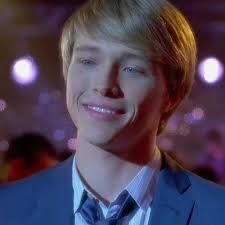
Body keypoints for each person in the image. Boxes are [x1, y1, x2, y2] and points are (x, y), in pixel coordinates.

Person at [1, 0, 225, 224]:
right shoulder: (8, 209)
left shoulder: (216, 213)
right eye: (88, 61)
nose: (104, 84)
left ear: (172, 92)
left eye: (132, 68)